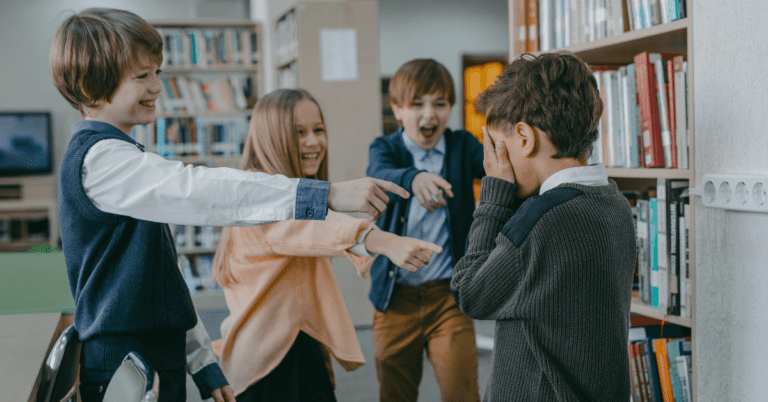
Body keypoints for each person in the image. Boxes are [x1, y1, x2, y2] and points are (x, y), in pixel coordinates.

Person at [50, 8, 408, 402]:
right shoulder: (99, 161)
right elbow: (199, 190)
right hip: (125, 363)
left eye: (158, 73)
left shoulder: (123, 157)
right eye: (142, 76)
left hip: (153, 358)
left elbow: (162, 279)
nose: (157, 87)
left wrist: (201, 359)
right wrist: (324, 193)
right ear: (91, 88)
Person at [210, 88, 443, 402]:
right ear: (271, 138)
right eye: (299, 133)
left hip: (291, 345)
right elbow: (313, 226)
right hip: (272, 362)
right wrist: (384, 241)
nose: (313, 142)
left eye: (318, 130)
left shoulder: (283, 191)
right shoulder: (261, 195)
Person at [450, 52, 637, 401]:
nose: (492, 161)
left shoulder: (541, 219)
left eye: (496, 147)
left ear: (524, 137)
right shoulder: (615, 204)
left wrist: (493, 196)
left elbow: (469, 293)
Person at [366, 59, 485, 402]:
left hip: (447, 297)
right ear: (397, 110)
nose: (429, 115)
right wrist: (413, 177)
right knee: (395, 393)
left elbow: (496, 169)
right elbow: (380, 173)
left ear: (451, 108)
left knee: (461, 390)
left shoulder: (462, 146)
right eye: (416, 105)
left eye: (440, 104)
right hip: (395, 298)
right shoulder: (386, 148)